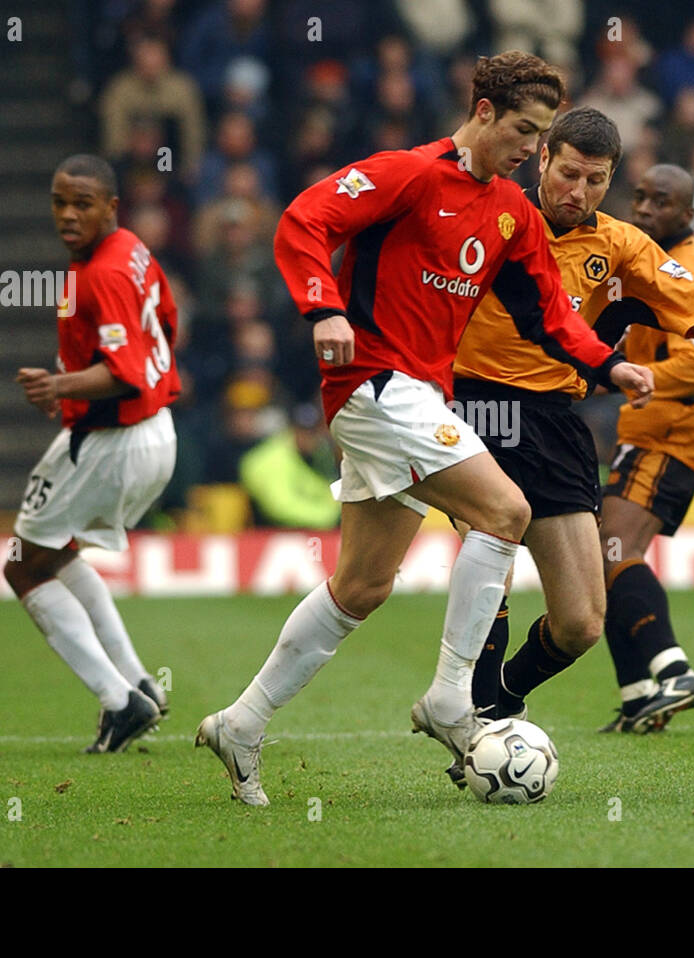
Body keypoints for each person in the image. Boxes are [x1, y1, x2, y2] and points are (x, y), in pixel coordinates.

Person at [195, 52, 656, 806]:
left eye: (540, 137)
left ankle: (242, 722)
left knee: (363, 586)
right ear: (480, 112)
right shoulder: (408, 175)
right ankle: (451, 698)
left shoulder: (508, 210)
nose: (530, 150)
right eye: (522, 131)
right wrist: (324, 308)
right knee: (506, 511)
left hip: (417, 399)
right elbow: (304, 221)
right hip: (375, 383)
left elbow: (550, 314)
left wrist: (607, 367)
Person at [450, 119, 694, 781]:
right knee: (494, 551)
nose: (579, 190)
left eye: (596, 180)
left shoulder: (620, 245)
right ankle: (476, 718)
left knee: (582, 622)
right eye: (568, 173)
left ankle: (502, 699)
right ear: (541, 161)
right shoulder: (493, 215)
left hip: (558, 419)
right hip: (479, 409)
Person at [3, 154, 179, 755]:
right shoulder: (132, 248)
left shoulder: (99, 273)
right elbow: (166, 326)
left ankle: (119, 701)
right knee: (58, 551)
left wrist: (60, 386)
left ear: (111, 207)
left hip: (113, 439)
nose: (68, 215)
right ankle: (138, 685)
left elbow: (126, 372)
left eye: (82, 203)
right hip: (157, 430)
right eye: (58, 202)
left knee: (22, 566)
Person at [599, 164, 694, 733]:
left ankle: (674, 670)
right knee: (605, 556)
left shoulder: (687, 264)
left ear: (686, 215)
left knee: (612, 550)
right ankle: (639, 696)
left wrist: (632, 376)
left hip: (675, 431)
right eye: (639, 198)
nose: (644, 210)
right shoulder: (651, 256)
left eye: (661, 203)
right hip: (665, 431)